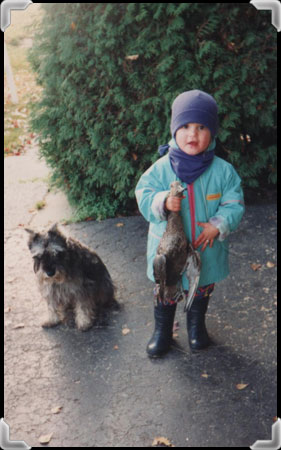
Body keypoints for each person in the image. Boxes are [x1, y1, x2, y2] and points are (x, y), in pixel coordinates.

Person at [135, 89, 245, 357]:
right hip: (168, 251)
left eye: (201, 127)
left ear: (213, 133)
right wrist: (162, 201)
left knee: (201, 288)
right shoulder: (161, 169)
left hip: (204, 249)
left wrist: (218, 224)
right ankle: (163, 331)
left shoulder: (223, 171)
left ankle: (196, 327)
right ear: (174, 130)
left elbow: (234, 203)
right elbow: (143, 194)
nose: (192, 134)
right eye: (184, 126)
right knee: (166, 288)